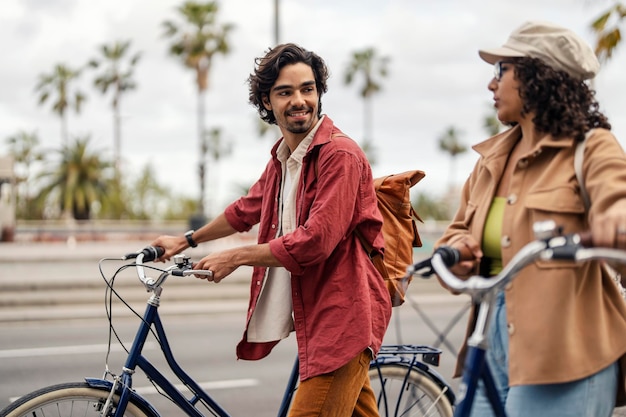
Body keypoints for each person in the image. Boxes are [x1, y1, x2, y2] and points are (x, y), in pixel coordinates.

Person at [151, 43, 392, 416]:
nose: (300, 100)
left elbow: (315, 242)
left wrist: (238, 256)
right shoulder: (284, 157)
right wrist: (184, 241)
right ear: (267, 100)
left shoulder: (340, 156)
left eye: (307, 89)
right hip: (315, 312)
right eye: (285, 92)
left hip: (343, 317)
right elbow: (247, 209)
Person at [435, 21, 626, 417]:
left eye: (501, 71)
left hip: (566, 353)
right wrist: (456, 249)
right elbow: (456, 228)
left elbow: (616, 194)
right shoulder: (490, 159)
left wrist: (615, 222)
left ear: (539, 77)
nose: (492, 85)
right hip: (489, 344)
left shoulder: (590, 147)